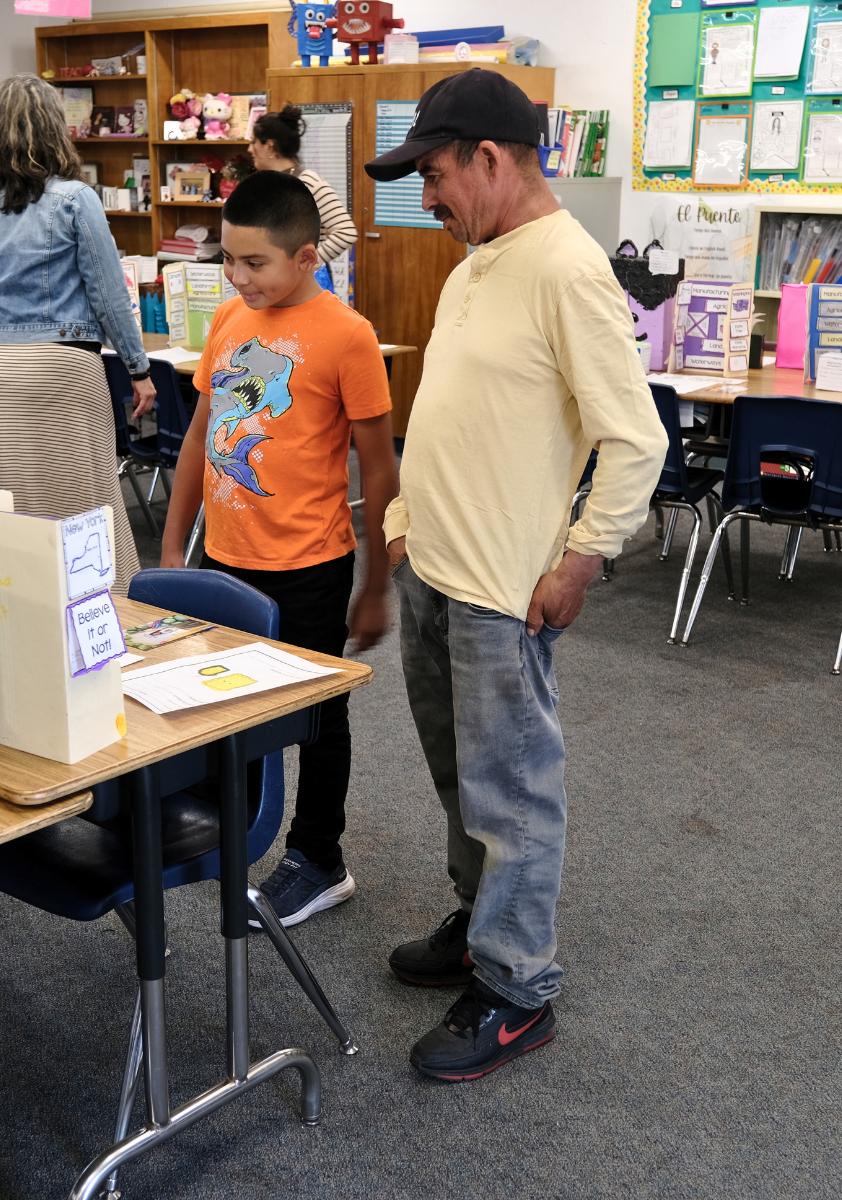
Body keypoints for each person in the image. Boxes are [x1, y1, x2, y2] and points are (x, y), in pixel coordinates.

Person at [365, 69, 668, 1082]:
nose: (428, 196)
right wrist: (403, 521)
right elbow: (444, 411)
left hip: (503, 590)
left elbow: (634, 439)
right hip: (434, 570)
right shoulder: (473, 264)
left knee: (513, 791)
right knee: (458, 775)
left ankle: (515, 985)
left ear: (489, 159)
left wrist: (583, 558)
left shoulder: (566, 270)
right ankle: (477, 918)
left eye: (436, 174)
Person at [161, 170, 399, 926]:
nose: (237, 276)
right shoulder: (231, 320)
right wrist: (174, 549)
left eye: (254, 262)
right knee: (217, 700)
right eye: (228, 260)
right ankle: (207, 824)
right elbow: (202, 434)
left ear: (306, 257)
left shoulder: (348, 335)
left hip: (311, 568)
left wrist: (375, 582)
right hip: (224, 561)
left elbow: (380, 465)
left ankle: (319, 857)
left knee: (318, 722)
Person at [0, 74, 153, 593]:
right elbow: (109, 294)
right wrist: (137, 367)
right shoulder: (74, 199)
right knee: (84, 496)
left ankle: (23, 600)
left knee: (14, 496)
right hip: (62, 365)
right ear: (55, 131)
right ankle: (101, 608)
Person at [249, 106, 359, 267]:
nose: (249, 149)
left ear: (269, 146)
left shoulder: (308, 183)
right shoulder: (264, 184)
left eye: (253, 142)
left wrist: (307, 266)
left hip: (303, 287)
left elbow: (345, 233)